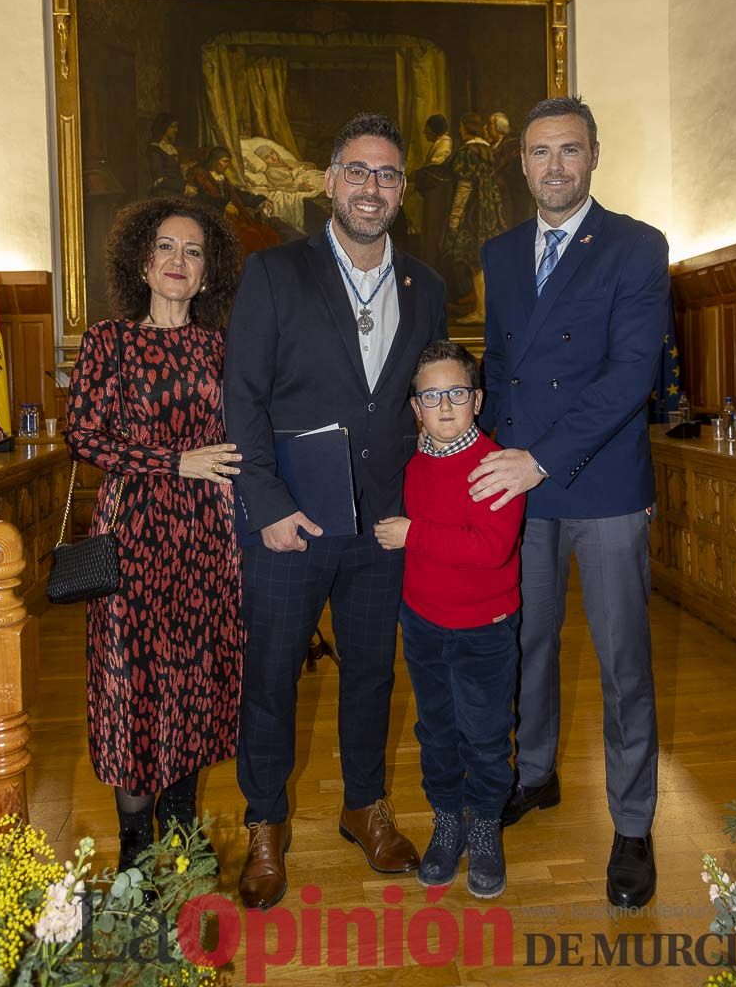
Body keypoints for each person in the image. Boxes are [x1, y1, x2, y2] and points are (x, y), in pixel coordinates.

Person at [223, 111, 447, 911]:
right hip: (290, 524)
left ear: (401, 189)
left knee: (373, 675)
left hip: (382, 525)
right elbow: (242, 396)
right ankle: (266, 823)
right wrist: (267, 503)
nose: (372, 187)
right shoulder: (275, 273)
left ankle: (364, 804)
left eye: (388, 174)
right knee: (271, 678)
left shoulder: (427, 284)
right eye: (358, 171)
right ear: (328, 182)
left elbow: (432, 403)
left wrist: (429, 504)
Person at [472, 95, 670, 910]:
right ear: (521, 163)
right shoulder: (500, 251)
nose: (554, 165)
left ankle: (632, 823)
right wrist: (469, 450)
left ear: (595, 156)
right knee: (528, 644)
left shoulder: (637, 245)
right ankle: (537, 772)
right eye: (540, 152)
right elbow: (502, 366)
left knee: (623, 662)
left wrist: (537, 463)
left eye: (570, 151)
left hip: (603, 485)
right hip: (522, 483)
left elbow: (631, 377)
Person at [64, 197, 244, 871]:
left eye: (193, 252)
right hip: (132, 534)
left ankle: (182, 830)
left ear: (207, 274)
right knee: (132, 686)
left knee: (193, 681)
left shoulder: (221, 346)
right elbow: (82, 433)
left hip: (205, 537)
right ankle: (135, 852)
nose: (178, 261)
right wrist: (174, 461)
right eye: (166, 248)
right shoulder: (108, 340)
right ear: (142, 262)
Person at [375, 341, 524, 899]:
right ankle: (448, 818)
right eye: (430, 395)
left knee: (485, 735)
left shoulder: (497, 464)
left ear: (477, 399)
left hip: (484, 627)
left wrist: (414, 534)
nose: (443, 405)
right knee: (435, 730)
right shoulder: (412, 466)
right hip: (422, 624)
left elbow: (489, 549)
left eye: (456, 393)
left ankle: (484, 823)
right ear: (415, 406)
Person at [443, 112, 506, 325]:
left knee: (476, 262)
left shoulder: (468, 151)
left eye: (461, 128)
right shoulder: (487, 149)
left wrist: (454, 218)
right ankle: (487, 310)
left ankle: (482, 312)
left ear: (465, 128)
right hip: (490, 209)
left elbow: (464, 188)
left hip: (474, 212)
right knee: (485, 261)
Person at [414, 114, 454, 273]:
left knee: (434, 233)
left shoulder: (444, 145)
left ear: (434, 130)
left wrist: (415, 175)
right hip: (434, 197)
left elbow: (434, 171)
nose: (424, 132)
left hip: (438, 198)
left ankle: (432, 270)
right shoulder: (439, 143)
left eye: (427, 128)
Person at [487, 111, 535, 230]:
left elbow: (509, 167)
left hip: (515, 189)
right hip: (503, 190)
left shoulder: (511, 144)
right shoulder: (492, 145)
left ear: (499, 127)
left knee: (517, 219)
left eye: (490, 125)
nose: (487, 128)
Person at [146, 114, 185, 196]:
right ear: (164, 127)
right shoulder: (155, 150)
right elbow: (159, 180)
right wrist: (183, 187)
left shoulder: (172, 149)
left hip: (176, 192)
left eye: (176, 127)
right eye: (173, 127)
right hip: (163, 194)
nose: (176, 130)